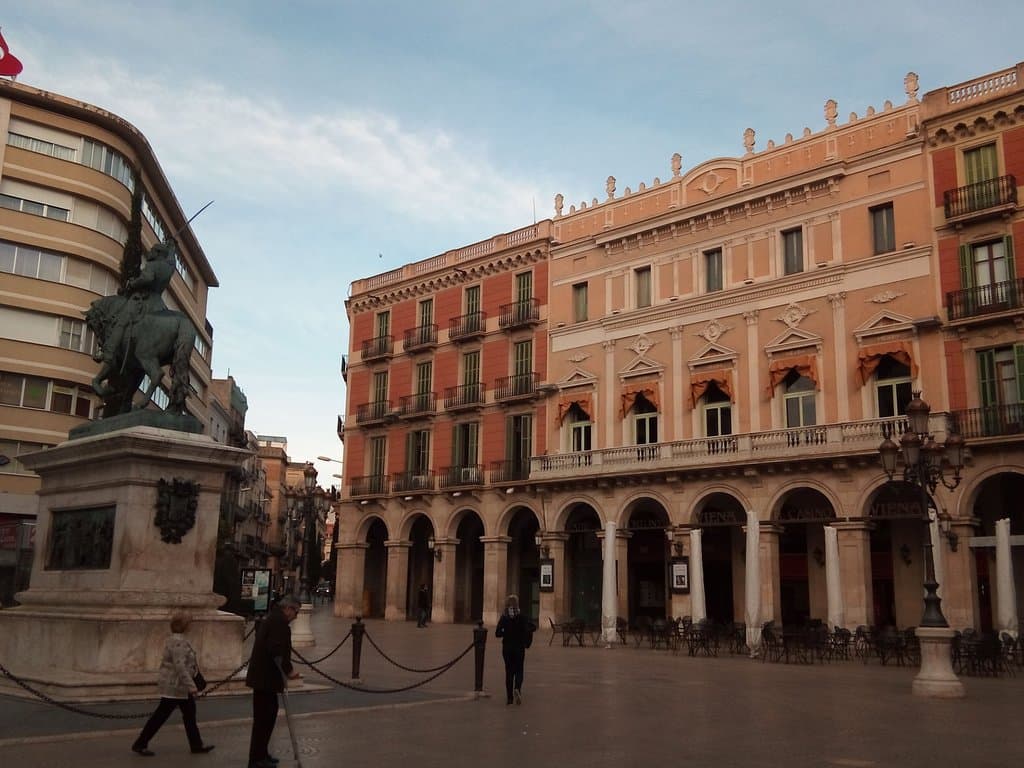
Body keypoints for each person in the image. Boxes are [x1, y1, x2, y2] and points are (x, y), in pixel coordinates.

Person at [131, 613, 214, 757]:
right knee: (162, 716)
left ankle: (196, 744)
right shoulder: (179, 643)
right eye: (190, 623)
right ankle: (140, 743)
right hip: (176, 687)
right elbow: (180, 666)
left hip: (178, 687)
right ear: (185, 626)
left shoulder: (174, 640)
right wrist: (192, 687)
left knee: (188, 715)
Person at [246, 594, 301, 768]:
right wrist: (289, 671)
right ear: (288, 608)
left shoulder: (275, 618)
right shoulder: (279, 622)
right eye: (296, 612)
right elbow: (276, 649)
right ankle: (256, 759)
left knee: (267, 717)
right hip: (265, 678)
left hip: (265, 678)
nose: (296, 616)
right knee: (263, 719)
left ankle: (261, 753)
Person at [494, 594, 535, 706]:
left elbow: (497, 633)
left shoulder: (504, 617)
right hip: (519, 647)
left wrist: (505, 632)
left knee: (509, 672)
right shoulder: (522, 616)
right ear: (517, 604)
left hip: (507, 648)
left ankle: (509, 699)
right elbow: (532, 627)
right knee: (519, 670)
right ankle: (517, 688)